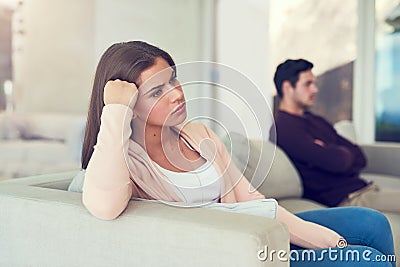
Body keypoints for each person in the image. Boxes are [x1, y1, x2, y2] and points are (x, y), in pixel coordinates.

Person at [79, 41, 395, 266]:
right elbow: (104, 206)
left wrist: (324, 240)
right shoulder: (126, 161)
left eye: (173, 79)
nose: (176, 94)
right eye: (157, 91)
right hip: (233, 252)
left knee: (370, 223)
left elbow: (252, 199)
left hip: (254, 232)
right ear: (132, 107)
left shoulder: (198, 134)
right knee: (366, 260)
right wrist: (116, 110)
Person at [271, 58, 400, 214]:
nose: (315, 89)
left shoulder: (315, 120)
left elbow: (360, 157)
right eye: (307, 84)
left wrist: (330, 150)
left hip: (364, 188)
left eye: (314, 83)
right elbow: (337, 163)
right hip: (348, 198)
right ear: (287, 88)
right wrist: (338, 152)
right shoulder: (284, 128)